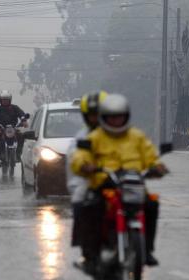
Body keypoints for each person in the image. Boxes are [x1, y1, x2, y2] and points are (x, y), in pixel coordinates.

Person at [70, 93, 169, 271]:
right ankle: (89, 255)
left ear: (127, 116)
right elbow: (80, 156)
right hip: (105, 184)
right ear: (104, 118)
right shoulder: (95, 137)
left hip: (133, 185)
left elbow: (150, 156)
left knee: (152, 204)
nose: (116, 121)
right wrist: (86, 166)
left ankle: (146, 250)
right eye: (112, 117)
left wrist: (158, 167)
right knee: (89, 207)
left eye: (120, 117)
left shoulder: (137, 136)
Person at [66, 91, 108, 270]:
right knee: (80, 203)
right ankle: (86, 251)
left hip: (117, 179)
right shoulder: (81, 138)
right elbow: (75, 158)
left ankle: (143, 244)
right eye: (92, 115)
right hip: (89, 180)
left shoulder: (121, 132)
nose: (96, 118)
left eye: (100, 114)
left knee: (146, 201)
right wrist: (85, 166)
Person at [0, 90, 27, 164]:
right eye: (3, 100)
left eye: (6, 100)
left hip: (13, 129)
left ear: (10, 100)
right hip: (0, 128)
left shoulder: (15, 108)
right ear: (0, 100)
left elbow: (21, 114)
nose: (5, 101)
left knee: (21, 136)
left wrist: (23, 120)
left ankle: (18, 155)